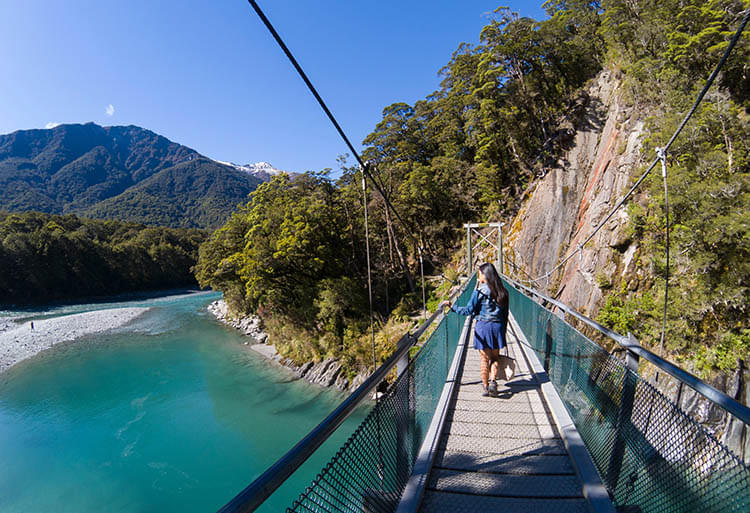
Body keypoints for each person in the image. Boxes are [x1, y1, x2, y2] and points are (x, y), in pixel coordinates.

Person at [442, 262, 509, 397]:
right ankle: (493, 381)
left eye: (480, 273)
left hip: (483, 327)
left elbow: (468, 310)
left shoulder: (478, 292)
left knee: (484, 359)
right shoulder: (503, 291)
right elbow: (505, 314)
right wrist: (503, 330)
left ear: (485, 275)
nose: (479, 276)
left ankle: (485, 387)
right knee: (495, 357)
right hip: (497, 327)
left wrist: (452, 307)